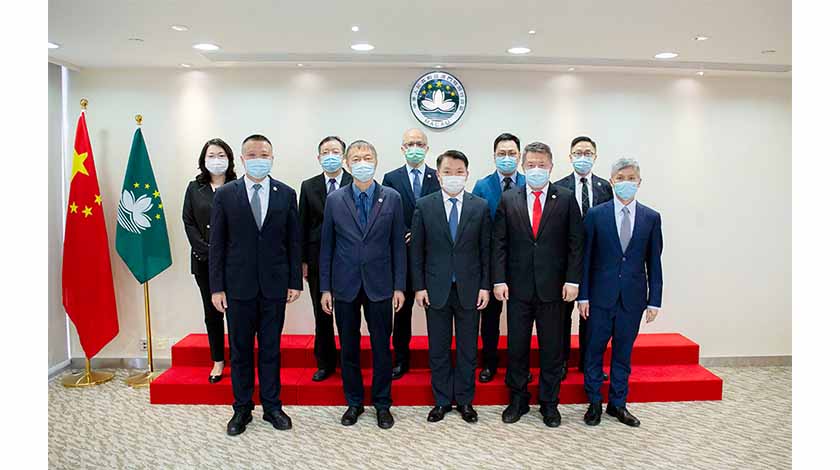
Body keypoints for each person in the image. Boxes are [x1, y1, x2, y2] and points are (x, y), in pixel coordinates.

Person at [209, 134, 303, 436]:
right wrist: (216, 287)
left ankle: (272, 406)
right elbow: (217, 244)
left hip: (275, 286)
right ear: (242, 159)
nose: (258, 159)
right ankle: (242, 408)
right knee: (240, 351)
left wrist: (294, 281)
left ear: (272, 158)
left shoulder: (286, 194)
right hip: (237, 287)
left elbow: (293, 241)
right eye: (252, 155)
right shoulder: (225, 194)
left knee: (271, 349)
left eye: (264, 154)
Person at [492, 142, 584, 427]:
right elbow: (499, 243)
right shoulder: (509, 198)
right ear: (523, 166)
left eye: (541, 165)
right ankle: (517, 400)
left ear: (551, 167)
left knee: (552, 349)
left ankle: (549, 403)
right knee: (517, 347)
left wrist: (572, 280)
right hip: (517, 288)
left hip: (554, 289)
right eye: (530, 165)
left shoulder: (566, 198)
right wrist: (499, 279)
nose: (536, 169)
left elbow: (576, 243)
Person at [320, 140, 406, 429]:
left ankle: (382, 403)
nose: (362, 162)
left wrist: (399, 286)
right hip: (344, 284)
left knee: (382, 346)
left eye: (367, 157)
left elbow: (398, 246)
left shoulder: (392, 198)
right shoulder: (335, 199)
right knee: (349, 347)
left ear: (376, 161)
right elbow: (327, 246)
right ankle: (354, 402)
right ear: (347, 163)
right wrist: (325, 288)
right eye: (356, 158)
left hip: (380, 284)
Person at [578, 157, 663, 428]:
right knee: (593, 351)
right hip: (599, 298)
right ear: (612, 181)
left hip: (632, 299)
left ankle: (618, 404)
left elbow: (654, 261)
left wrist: (654, 300)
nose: (626, 183)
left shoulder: (651, 218)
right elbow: (586, 259)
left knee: (623, 354)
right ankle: (594, 402)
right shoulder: (596, 215)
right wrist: (583, 295)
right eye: (621, 178)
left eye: (631, 178)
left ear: (639, 182)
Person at [411, 150, 491, 424]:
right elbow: (417, 251)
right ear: (438, 175)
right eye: (447, 171)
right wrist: (419, 287)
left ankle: (466, 401)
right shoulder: (424, 205)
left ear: (467, 174)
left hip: (471, 289)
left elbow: (486, 250)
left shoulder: (480, 206)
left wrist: (485, 286)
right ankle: (442, 400)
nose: (453, 176)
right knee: (438, 348)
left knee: (468, 349)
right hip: (435, 289)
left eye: (459, 172)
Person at [382, 128, 440, 380]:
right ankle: (400, 359)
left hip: (432, 255)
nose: (414, 148)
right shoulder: (391, 178)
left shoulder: (438, 176)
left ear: (426, 148)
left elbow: (442, 210)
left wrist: (422, 234)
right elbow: (386, 214)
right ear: (402, 148)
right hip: (402, 255)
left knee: (436, 312)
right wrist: (406, 232)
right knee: (402, 312)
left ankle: (437, 360)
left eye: (419, 143)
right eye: (410, 144)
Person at [554, 136, 613, 381]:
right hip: (565, 262)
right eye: (578, 153)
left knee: (592, 317)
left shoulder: (605, 187)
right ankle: (561, 362)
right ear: (570, 157)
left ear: (595, 157)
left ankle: (589, 363)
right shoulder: (558, 187)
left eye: (588, 153)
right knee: (561, 316)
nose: (583, 157)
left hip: (596, 263)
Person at [471, 132, 526, 383]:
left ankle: (518, 367)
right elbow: (475, 226)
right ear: (494, 156)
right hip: (493, 262)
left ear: (519, 155)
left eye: (512, 153)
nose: (507, 158)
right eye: (502, 153)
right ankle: (489, 363)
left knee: (520, 320)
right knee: (490, 318)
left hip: (523, 264)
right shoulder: (482, 186)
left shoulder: (529, 183)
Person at [182, 138, 237, 384]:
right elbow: (188, 221)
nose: (217, 160)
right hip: (203, 260)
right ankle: (218, 360)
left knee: (236, 313)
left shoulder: (238, 186)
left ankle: (239, 358)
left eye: (221, 155)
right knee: (212, 312)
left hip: (235, 262)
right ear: (203, 160)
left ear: (230, 159)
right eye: (211, 155)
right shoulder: (194, 188)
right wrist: (207, 250)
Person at [299, 136, 353, 382]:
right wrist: (303, 261)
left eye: (335, 151)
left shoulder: (355, 182)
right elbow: (302, 224)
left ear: (344, 156)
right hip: (317, 258)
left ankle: (348, 362)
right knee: (322, 314)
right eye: (326, 152)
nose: (331, 156)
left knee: (347, 314)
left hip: (348, 259)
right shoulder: (308, 186)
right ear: (319, 157)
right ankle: (325, 362)